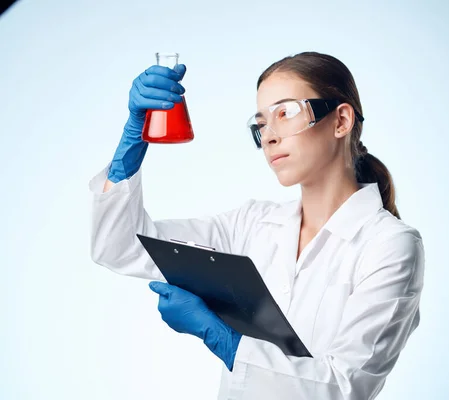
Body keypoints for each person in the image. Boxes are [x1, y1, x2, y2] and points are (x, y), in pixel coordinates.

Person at [89, 51, 425, 400]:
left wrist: (223, 339)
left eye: (286, 113)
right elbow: (123, 246)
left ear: (341, 120)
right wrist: (133, 138)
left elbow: (345, 387)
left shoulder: (390, 245)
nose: (269, 136)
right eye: (262, 123)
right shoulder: (252, 224)